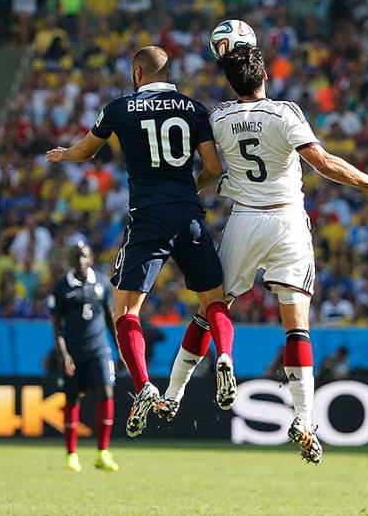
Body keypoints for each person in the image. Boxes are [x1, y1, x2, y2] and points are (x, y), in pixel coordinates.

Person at [160, 45, 368, 465]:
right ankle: (304, 419)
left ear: (230, 83)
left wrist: (191, 191)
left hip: (244, 220)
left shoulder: (217, 117)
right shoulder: (285, 113)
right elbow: (322, 163)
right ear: (264, 75)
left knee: (211, 308)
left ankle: (173, 395)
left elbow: (211, 169)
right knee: (296, 326)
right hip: (287, 221)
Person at [46, 46, 236, 438]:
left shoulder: (119, 108)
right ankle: (226, 358)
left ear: (137, 73)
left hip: (148, 218)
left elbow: (85, 152)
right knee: (214, 301)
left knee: (126, 311)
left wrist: (64, 155)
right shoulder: (194, 109)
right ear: (169, 73)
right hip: (188, 214)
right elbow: (214, 168)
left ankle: (145, 385)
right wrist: (190, 191)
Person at [49, 243, 119, 472]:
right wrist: (64, 354)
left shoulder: (101, 283)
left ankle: (103, 452)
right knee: (72, 398)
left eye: (84, 255)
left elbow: (110, 318)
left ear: (91, 258)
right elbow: (56, 326)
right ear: (70, 259)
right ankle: (71, 454)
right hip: (74, 351)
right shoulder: (62, 288)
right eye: (77, 256)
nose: (80, 259)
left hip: (99, 348)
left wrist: (121, 349)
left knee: (107, 390)